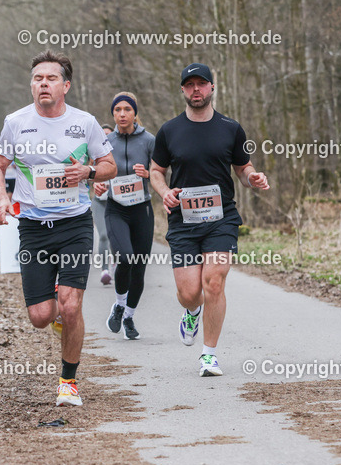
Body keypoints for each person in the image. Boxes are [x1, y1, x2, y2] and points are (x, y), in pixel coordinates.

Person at [0, 50, 117, 406]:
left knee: (71, 306)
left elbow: (109, 164)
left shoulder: (84, 123)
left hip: (75, 223)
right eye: (37, 79)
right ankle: (61, 317)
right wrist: (2, 200)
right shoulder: (16, 122)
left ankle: (68, 382)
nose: (42, 84)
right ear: (32, 85)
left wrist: (88, 172)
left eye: (50, 78)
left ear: (66, 85)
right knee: (41, 316)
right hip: (32, 226)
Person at [149, 63, 269, 376]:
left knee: (213, 281)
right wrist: (163, 192)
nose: (196, 90)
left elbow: (243, 168)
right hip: (183, 220)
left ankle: (209, 354)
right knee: (190, 292)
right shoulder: (169, 130)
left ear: (212, 88)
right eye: (190, 85)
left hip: (221, 217)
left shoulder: (230, 128)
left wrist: (252, 177)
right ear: (183, 90)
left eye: (202, 84)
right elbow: (156, 171)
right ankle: (191, 311)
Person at [95, 92, 154, 340]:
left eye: (126, 109)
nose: (121, 114)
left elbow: (164, 173)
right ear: (113, 113)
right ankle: (119, 304)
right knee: (126, 258)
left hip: (143, 210)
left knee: (139, 268)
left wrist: (149, 173)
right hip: (116, 208)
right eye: (117, 109)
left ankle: (128, 316)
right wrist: (96, 184)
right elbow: (96, 171)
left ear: (134, 113)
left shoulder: (150, 140)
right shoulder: (105, 141)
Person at [90, 125, 113, 286]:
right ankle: (105, 269)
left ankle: (118, 263)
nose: (106, 137)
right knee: (104, 235)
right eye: (103, 135)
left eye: (109, 135)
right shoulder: (94, 154)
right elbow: (86, 175)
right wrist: (93, 184)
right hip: (99, 202)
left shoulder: (117, 156)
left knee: (117, 236)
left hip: (117, 202)